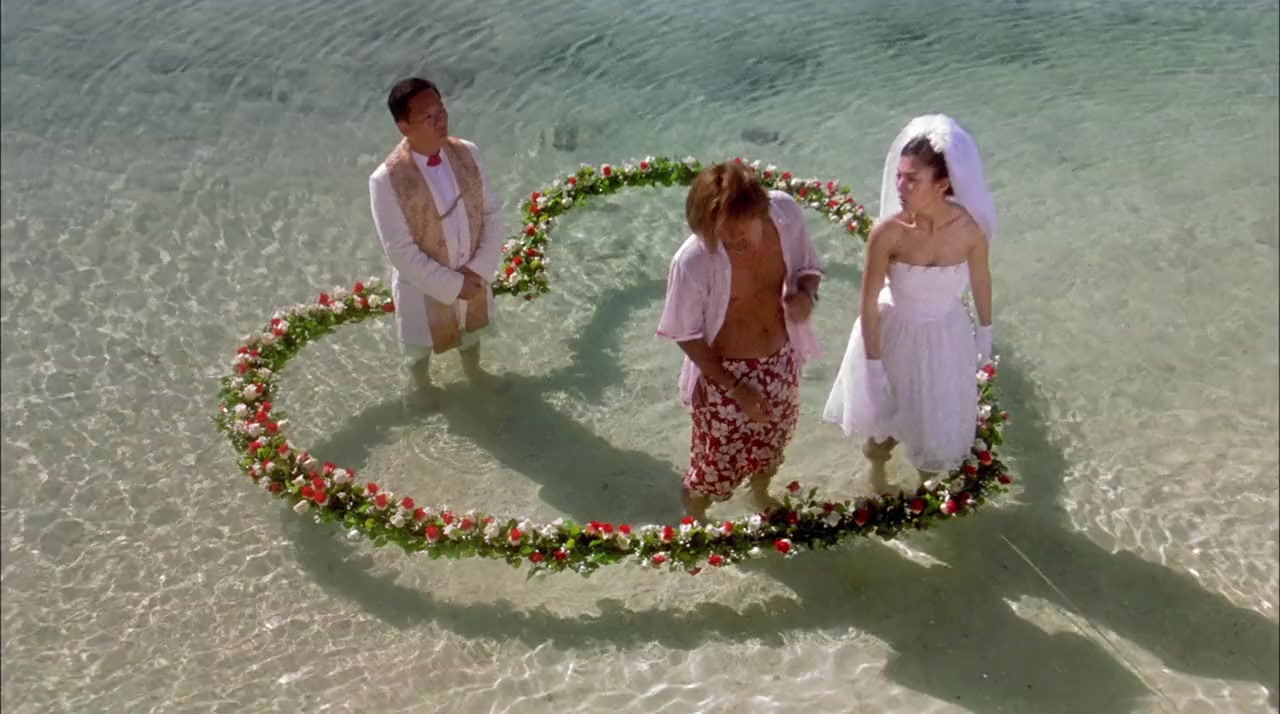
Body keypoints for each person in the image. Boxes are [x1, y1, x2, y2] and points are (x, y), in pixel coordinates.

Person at [823, 114, 997, 492]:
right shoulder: (888, 233)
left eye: (912, 179)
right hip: (894, 334)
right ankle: (877, 476)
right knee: (883, 431)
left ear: (942, 183)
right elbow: (868, 301)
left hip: (945, 337)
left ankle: (924, 495)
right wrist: (872, 365)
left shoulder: (969, 230)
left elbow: (981, 280)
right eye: (899, 177)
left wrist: (985, 332)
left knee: (932, 428)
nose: (900, 187)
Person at [657, 161, 824, 521]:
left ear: (759, 209)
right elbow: (684, 334)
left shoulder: (786, 214)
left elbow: (809, 268)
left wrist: (806, 295)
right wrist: (736, 388)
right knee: (714, 471)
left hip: (782, 360)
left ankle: (759, 494)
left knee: (773, 447)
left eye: (739, 229)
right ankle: (696, 518)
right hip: (723, 378)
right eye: (721, 234)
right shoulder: (692, 260)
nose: (731, 241)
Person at [369, 77, 504, 397]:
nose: (440, 121)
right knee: (419, 349)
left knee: (471, 333)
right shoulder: (386, 180)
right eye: (428, 117)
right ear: (404, 126)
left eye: (441, 111)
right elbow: (400, 252)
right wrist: (453, 285)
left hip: (472, 270)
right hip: (423, 286)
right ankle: (423, 388)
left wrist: (479, 269)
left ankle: (474, 374)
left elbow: (492, 213)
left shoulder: (468, 152)